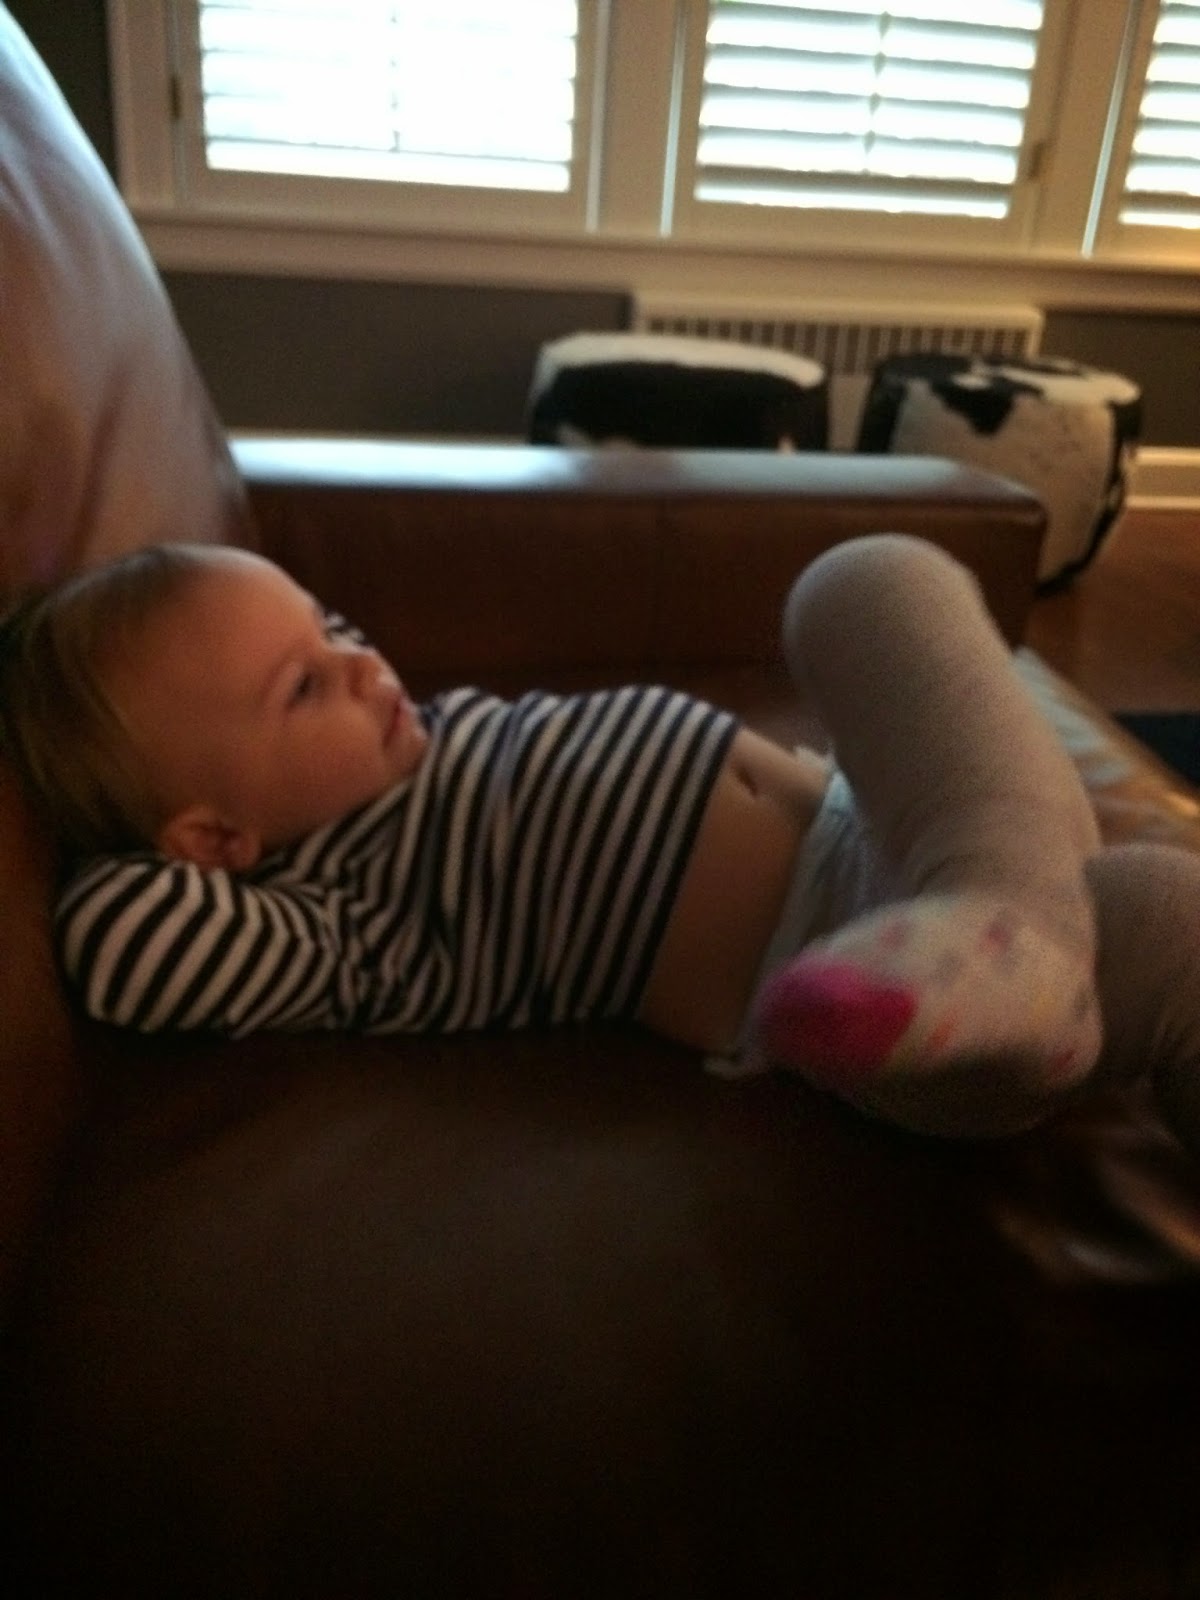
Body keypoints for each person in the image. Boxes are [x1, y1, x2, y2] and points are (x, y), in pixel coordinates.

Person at [1, 534, 1197, 1148]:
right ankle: (1009, 935)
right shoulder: (327, 918)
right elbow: (113, 937)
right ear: (214, 836)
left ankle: (1015, 920)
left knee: (861, 578)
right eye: (302, 688)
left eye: (332, 627)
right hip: (884, 978)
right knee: (1167, 916)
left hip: (897, 817)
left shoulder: (406, 740)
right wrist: (170, 851)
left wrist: (304, 682)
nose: (360, 664)